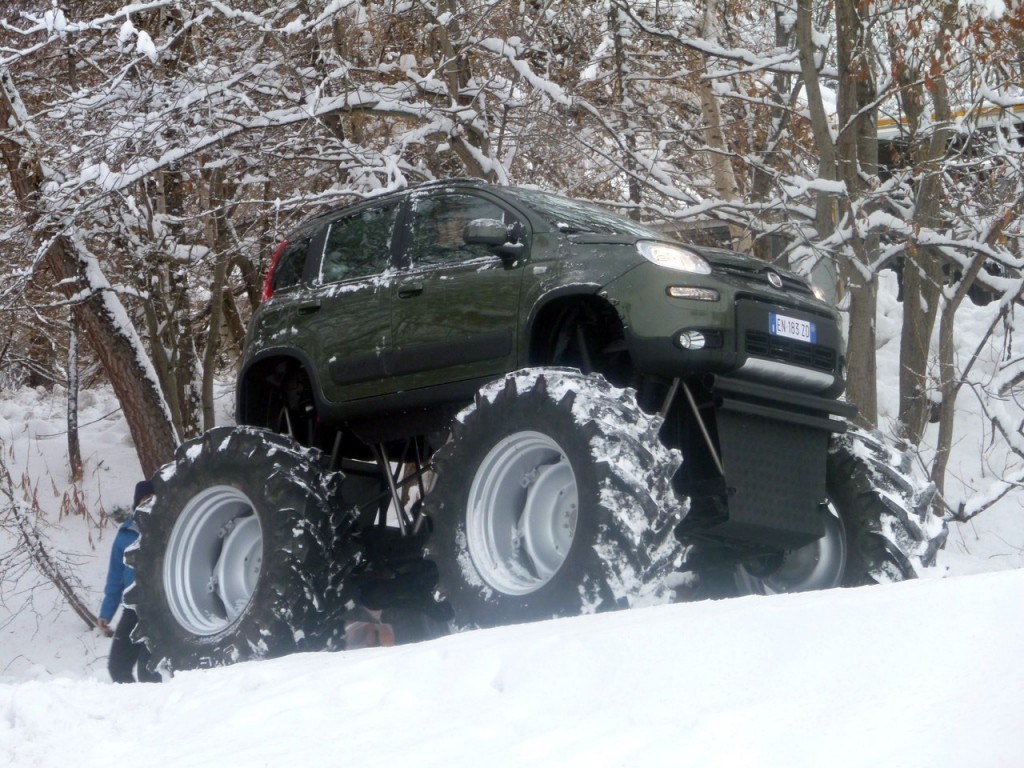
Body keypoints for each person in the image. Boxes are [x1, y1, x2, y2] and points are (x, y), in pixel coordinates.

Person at [97, 480, 161, 683]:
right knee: (117, 667)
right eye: (144, 498)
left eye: (152, 498)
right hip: (132, 609)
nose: (148, 502)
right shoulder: (125, 534)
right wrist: (107, 612)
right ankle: (134, 708)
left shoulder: (169, 528)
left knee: (148, 670)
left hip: (160, 608)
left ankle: (159, 710)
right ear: (137, 503)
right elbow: (115, 577)